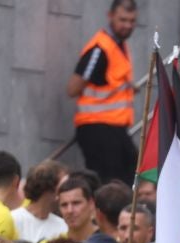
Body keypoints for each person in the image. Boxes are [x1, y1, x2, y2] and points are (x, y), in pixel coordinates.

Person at [71, 0, 142, 182]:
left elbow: (111, 81)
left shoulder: (119, 44)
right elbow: (73, 88)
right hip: (97, 126)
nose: (127, 25)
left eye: (132, 21)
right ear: (110, 16)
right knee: (109, 183)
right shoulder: (101, 48)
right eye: (123, 20)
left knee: (130, 174)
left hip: (114, 127)